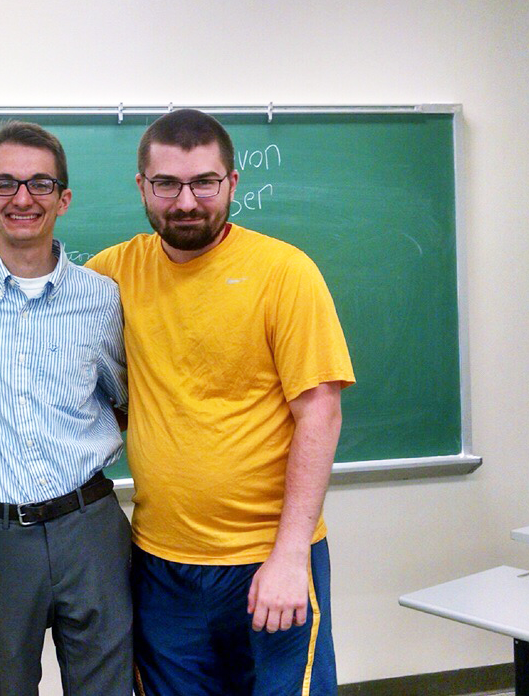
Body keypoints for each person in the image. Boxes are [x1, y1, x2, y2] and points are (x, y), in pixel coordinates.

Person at [86, 108, 355, 696]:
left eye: (203, 182)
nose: (186, 201)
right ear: (142, 186)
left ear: (232, 182)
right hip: (161, 565)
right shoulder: (109, 276)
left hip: (269, 560)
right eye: (167, 184)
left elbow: (321, 411)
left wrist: (289, 558)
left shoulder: (285, 273)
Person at [0, 121, 132, 694]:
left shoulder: (102, 296)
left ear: (64, 198)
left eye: (40, 184)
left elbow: (125, 398)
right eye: (6, 184)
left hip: (89, 528)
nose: (22, 198)